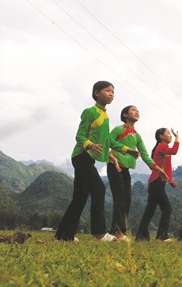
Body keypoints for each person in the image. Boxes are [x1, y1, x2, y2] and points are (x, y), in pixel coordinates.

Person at [55, 81, 140, 242]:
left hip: (88, 159)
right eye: (108, 91)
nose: (111, 94)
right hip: (81, 156)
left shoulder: (105, 115)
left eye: (113, 92)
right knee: (99, 189)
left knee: (79, 197)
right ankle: (99, 233)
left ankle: (64, 235)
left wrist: (127, 150)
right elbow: (79, 136)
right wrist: (91, 145)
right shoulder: (90, 112)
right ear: (96, 93)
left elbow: (108, 140)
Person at [107, 106, 167, 241]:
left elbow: (145, 155)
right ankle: (117, 233)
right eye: (133, 110)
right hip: (114, 166)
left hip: (125, 169)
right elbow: (109, 141)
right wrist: (127, 149)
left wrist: (158, 169)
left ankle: (118, 232)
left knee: (127, 199)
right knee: (120, 198)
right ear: (125, 114)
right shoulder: (118, 129)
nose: (137, 112)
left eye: (138, 111)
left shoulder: (137, 136)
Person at [135, 128, 179, 241]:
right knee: (167, 209)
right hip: (156, 182)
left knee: (149, 211)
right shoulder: (162, 146)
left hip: (156, 182)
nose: (171, 135)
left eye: (171, 134)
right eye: (168, 133)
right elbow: (174, 151)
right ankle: (162, 236)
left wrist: (170, 181)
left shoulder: (163, 148)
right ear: (161, 136)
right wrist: (177, 138)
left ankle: (141, 236)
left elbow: (166, 167)